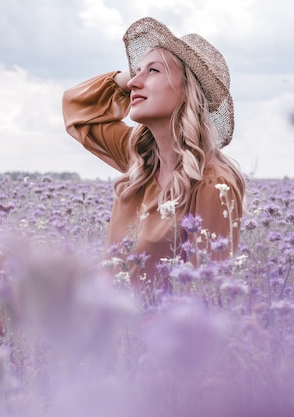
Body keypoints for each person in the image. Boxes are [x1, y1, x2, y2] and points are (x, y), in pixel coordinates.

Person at [63, 17, 245, 295]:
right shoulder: (141, 160)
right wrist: (129, 80)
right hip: (99, 315)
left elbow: (205, 294)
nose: (134, 82)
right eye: (135, 73)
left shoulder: (211, 184)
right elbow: (76, 108)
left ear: (187, 89)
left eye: (153, 71)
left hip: (139, 332)